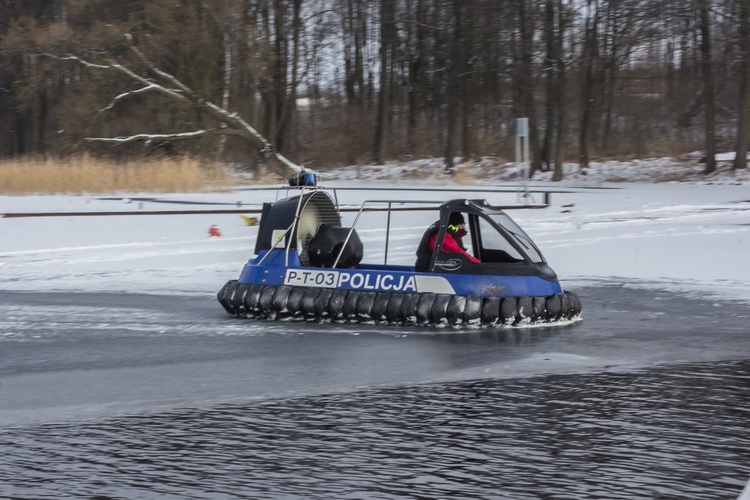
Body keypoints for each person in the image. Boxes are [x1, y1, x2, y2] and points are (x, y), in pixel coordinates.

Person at [414, 212, 481, 271]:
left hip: (436, 267)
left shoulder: (449, 232)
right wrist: (477, 264)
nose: (463, 226)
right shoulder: (443, 236)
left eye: (463, 224)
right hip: (427, 268)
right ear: (454, 224)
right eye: (461, 224)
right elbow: (457, 252)